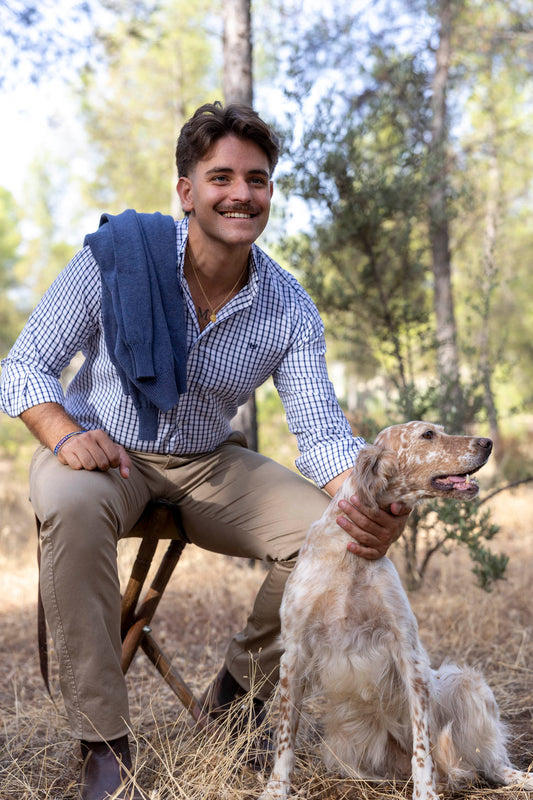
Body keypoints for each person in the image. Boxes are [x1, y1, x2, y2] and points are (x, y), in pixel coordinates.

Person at [0, 102, 410, 800]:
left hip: (208, 460)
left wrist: (367, 501)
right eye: (220, 176)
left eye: (257, 179)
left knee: (329, 534)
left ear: (270, 194)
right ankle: (102, 745)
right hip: (106, 452)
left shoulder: (286, 304)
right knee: (68, 509)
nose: (240, 193)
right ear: (187, 191)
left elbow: (318, 429)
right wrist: (65, 436)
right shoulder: (115, 260)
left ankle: (235, 705)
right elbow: (24, 367)